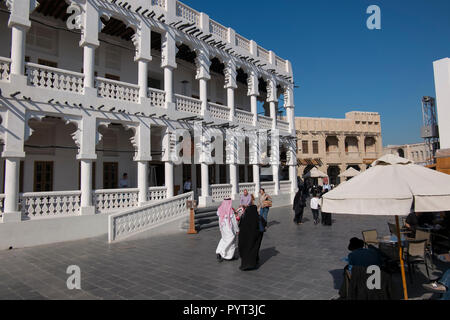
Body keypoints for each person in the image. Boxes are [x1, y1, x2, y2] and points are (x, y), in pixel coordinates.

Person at [238, 205, 264, 271]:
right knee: (253, 249)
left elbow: (240, 227)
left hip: (244, 239)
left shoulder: (244, 218)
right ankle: (252, 264)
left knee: (246, 251)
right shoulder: (257, 218)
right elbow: (263, 225)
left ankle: (244, 265)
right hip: (254, 238)